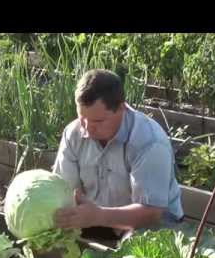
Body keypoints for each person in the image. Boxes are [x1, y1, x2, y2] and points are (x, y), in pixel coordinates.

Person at [52, 69, 184, 239]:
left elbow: (151, 212)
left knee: (136, 246)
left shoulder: (148, 141)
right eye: (81, 117)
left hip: (154, 226)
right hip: (96, 218)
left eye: (98, 121)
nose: (87, 127)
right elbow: (64, 188)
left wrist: (98, 216)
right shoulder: (73, 133)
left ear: (121, 108)